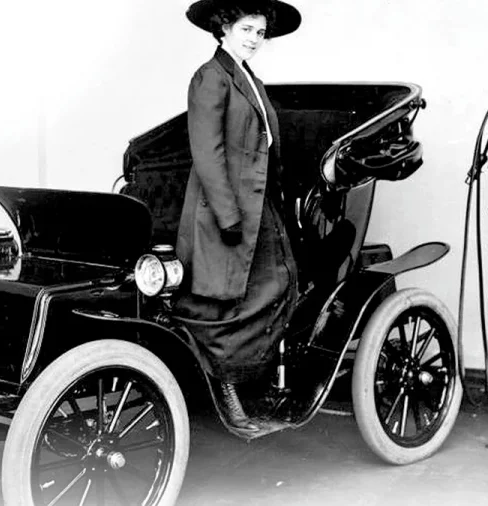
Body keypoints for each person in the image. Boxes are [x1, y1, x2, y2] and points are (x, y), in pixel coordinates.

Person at [174, 0, 301, 432]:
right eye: (247, 28)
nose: (254, 39)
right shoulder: (211, 77)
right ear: (224, 27)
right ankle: (226, 389)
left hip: (255, 205)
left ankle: (247, 379)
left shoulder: (250, 78)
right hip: (221, 209)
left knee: (277, 285)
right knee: (222, 301)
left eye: (260, 32)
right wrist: (229, 217)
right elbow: (206, 154)